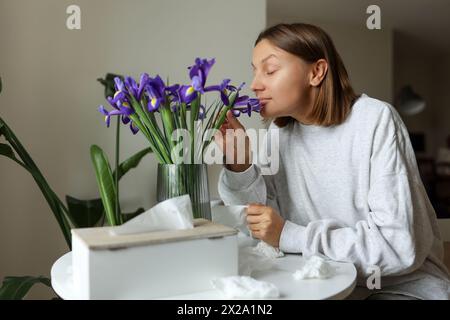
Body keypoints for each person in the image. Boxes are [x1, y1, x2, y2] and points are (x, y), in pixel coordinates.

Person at [215, 23, 450, 300]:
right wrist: (240, 165)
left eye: (270, 70)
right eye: (254, 70)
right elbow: (264, 231)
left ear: (316, 72)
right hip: (318, 281)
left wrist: (290, 235)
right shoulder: (278, 134)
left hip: (401, 286)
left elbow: (398, 247)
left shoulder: (375, 120)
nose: (255, 84)